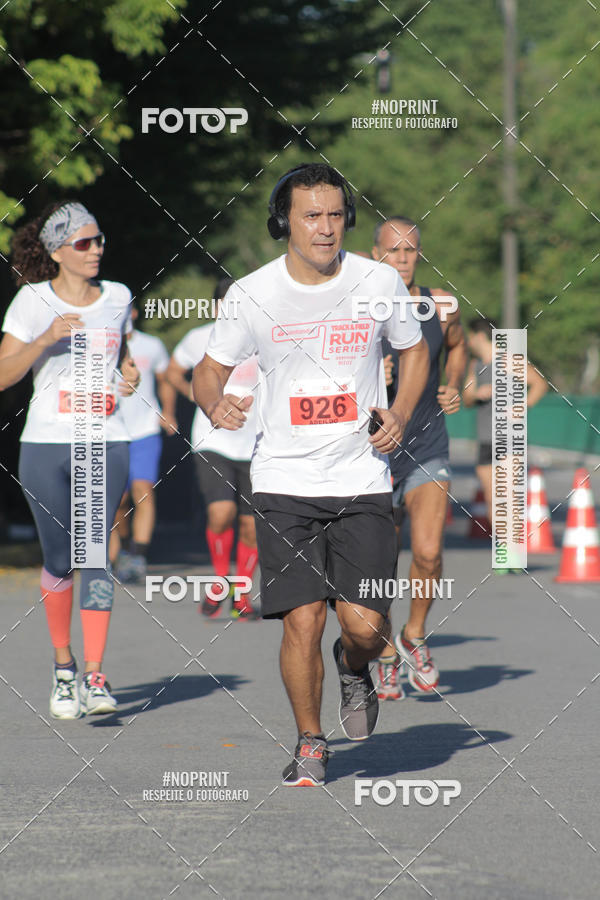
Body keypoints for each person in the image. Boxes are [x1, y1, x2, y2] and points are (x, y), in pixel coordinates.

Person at [193, 163, 429, 786]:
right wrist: (214, 401)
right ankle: (310, 741)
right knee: (302, 618)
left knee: (367, 627)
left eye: (334, 215)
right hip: (283, 480)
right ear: (284, 223)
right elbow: (208, 369)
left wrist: (400, 411)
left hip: (361, 478)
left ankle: (355, 670)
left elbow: (414, 348)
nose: (326, 229)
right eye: (311, 216)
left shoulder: (378, 279)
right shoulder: (252, 293)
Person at [0, 201, 139, 719]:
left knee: (95, 554)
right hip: (45, 442)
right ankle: (64, 670)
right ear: (58, 252)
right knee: (59, 559)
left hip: (105, 438)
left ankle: (96, 675)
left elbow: (121, 351)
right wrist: (44, 339)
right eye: (84, 243)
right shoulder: (31, 302)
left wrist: (128, 372)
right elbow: (3, 375)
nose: (96, 249)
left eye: (99, 240)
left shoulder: (118, 297)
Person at [371, 216, 467, 700]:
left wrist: (454, 383)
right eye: (394, 250)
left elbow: (458, 346)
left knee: (427, 553)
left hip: (428, 444)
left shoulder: (439, 305)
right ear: (376, 255)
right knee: (381, 562)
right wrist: (373, 366)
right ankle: (386, 652)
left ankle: (416, 635)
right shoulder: (360, 307)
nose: (403, 259)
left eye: (411, 250)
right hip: (373, 454)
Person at [167, 278, 260, 619]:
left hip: (258, 444)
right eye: (228, 303)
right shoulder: (199, 338)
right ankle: (220, 581)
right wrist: (201, 397)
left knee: (252, 526)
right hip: (213, 440)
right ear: (217, 306)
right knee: (221, 514)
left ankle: (241, 595)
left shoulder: (263, 337)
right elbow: (173, 372)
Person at [463, 316, 547, 571]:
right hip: (485, 439)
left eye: (470, 336)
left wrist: (524, 405)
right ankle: (505, 545)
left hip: (509, 438)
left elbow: (539, 384)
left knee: (507, 497)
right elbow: (466, 399)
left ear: (479, 336)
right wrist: (476, 393)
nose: (468, 342)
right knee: (492, 502)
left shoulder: (510, 360)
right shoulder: (475, 366)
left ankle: (511, 552)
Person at [110, 307, 177, 583]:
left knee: (143, 490)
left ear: (134, 313)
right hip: (111, 431)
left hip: (145, 430)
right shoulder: (102, 346)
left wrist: (168, 411)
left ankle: (138, 555)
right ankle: (123, 549)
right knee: (118, 501)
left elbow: (165, 380)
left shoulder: (152, 345)